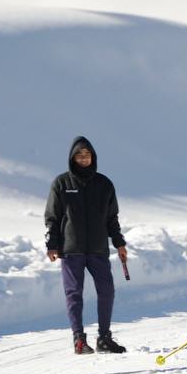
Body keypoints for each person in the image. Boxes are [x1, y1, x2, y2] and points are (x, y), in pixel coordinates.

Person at [44, 136, 128, 354]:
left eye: (87, 155)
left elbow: (112, 218)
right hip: (71, 250)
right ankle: (79, 339)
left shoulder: (104, 184)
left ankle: (104, 338)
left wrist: (119, 243)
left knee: (107, 291)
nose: (83, 158)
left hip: (98, 248)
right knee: (74, 294)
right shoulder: (61, 183)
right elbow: (52, 217)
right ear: (73, 158)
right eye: (79, 155)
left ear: (93, 157)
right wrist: (52, 245)